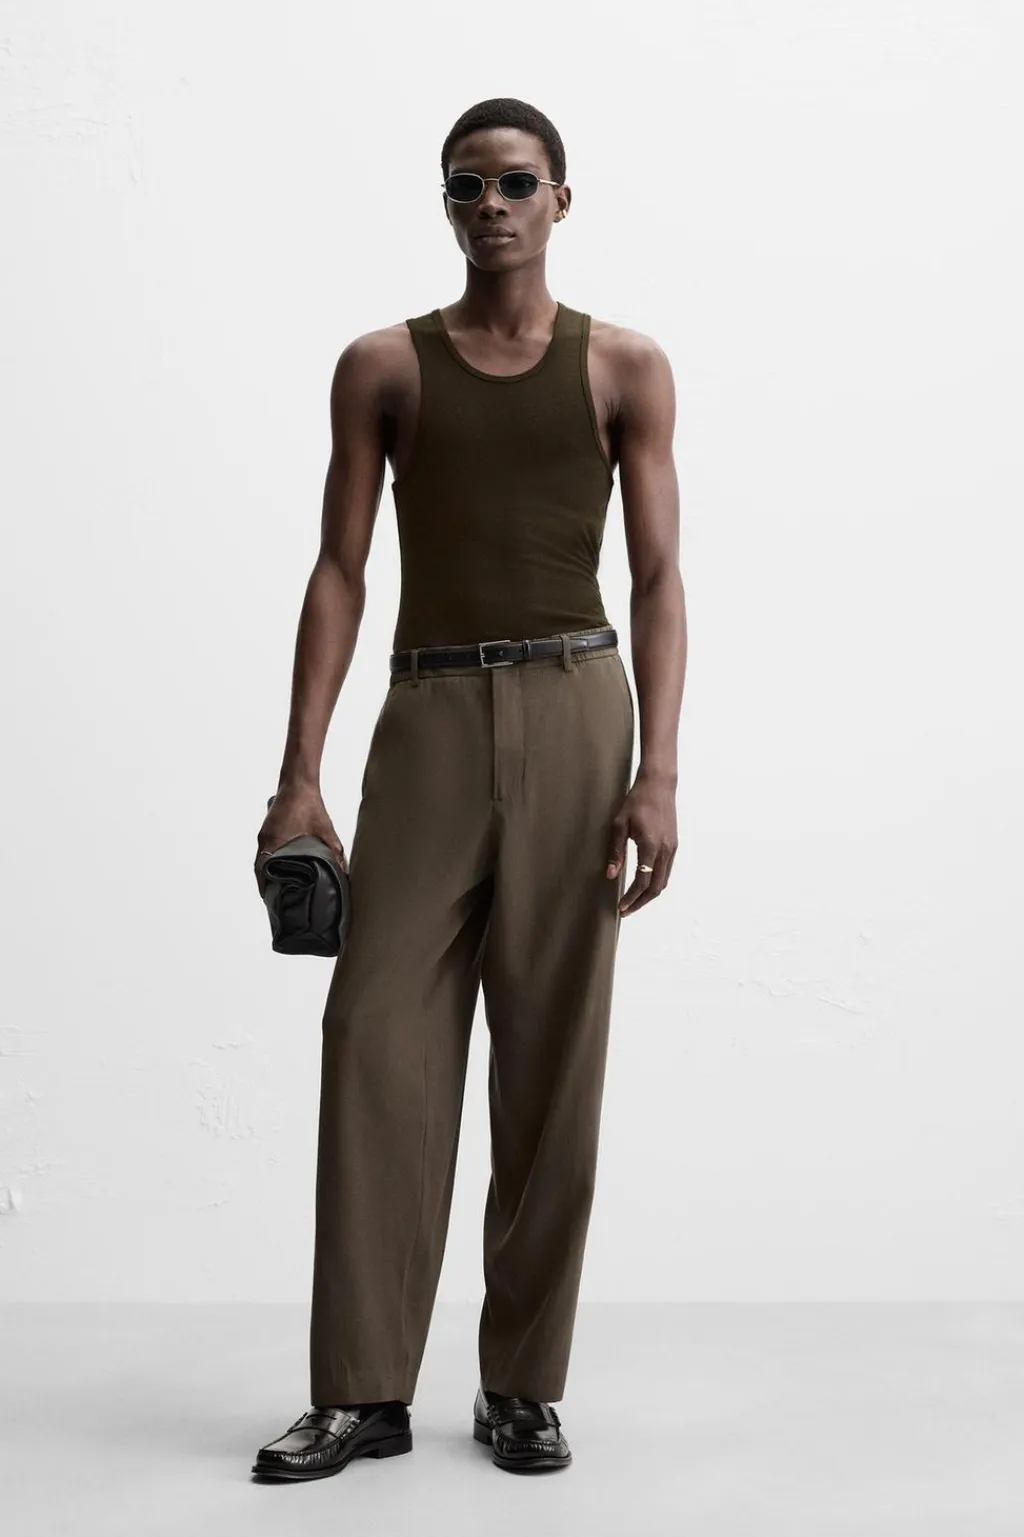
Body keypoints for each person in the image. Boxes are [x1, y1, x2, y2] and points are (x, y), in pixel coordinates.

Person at [250, 96, 686, 1481]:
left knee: (553, 1059)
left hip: (578, 704)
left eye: (514, 183)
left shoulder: (624, 368)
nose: (489, 205)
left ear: (561, 198)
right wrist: (300, 774)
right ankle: (363, 1392)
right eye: (465, 186)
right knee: (374, 1034)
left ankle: (521, 1388)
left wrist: (659, 772)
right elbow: (339, 569)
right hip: (429, 713)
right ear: (446, 205)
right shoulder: (383, 366)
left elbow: (661, 577)